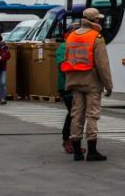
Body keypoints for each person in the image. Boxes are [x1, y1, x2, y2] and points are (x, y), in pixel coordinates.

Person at [61, 7, 113, 161]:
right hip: (91, 83)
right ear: (95, 20)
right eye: (99, 19)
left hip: (74, 81)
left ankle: (77, 151)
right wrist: (108, 85)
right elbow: (103, 65)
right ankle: (92, 151)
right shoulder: (96, 37)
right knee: (92, 115)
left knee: (76, 115)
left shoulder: (71, 36)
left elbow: (67, 59)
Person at [54, 23, 73, 154]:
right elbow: (63, 66)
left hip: (75, 84)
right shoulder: (63, 47)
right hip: (66, 85)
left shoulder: (76, 47)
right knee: (73, 113)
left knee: (75, 113)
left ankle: (71, 140)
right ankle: (67, 139)